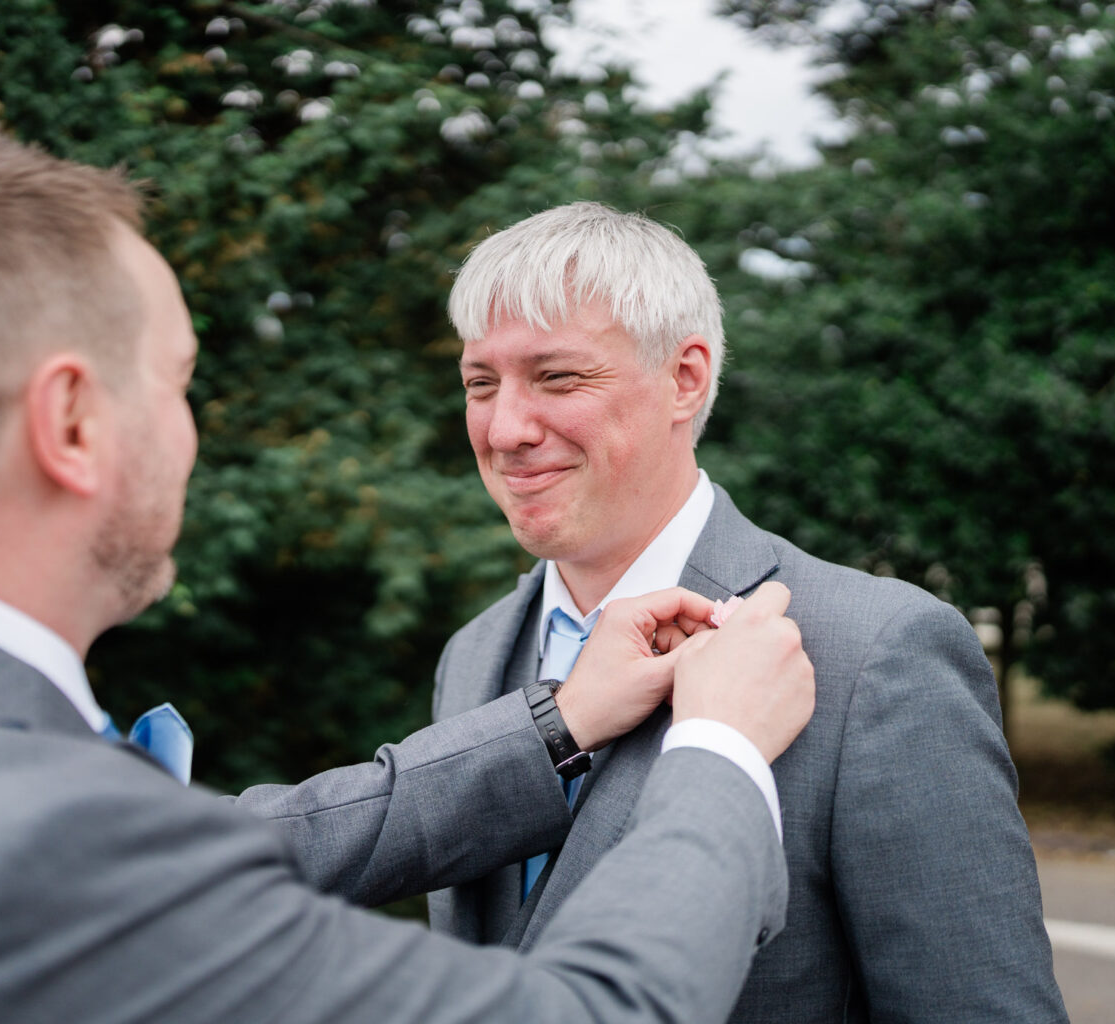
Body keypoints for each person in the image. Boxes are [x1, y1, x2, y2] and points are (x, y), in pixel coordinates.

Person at [0, 128, 817, 1024]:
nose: (192, 434)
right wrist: (718, 753)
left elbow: (248, 842)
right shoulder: (50, 842)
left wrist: (554, 723)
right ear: (72, 421)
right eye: (176, 382)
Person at [431, 202, 1070, 1022]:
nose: (505, 428)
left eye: (557, 377)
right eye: (480, 384)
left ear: (685, 378)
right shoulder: (473, 653)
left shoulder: (876, 652)